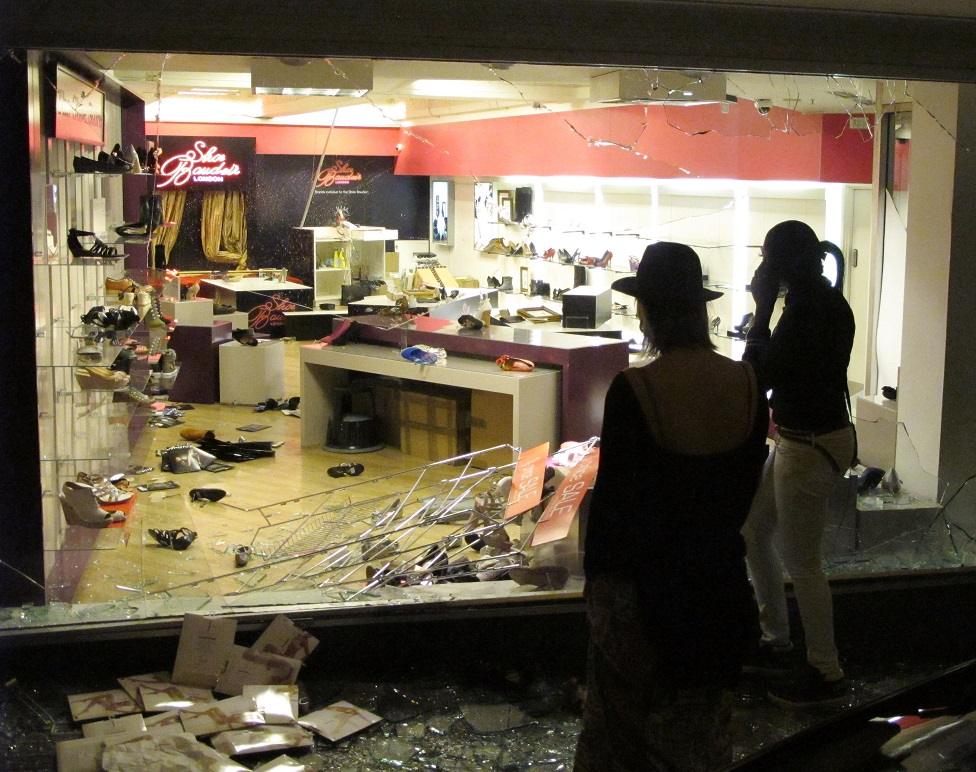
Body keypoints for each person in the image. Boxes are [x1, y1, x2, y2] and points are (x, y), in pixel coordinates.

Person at [575, 242, 769, 771]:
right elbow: (741, 496)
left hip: (644, 595)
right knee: (700, 740)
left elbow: (618, 510)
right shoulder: (748, 384)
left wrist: (598, 593)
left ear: (647, 308)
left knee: (621, 742)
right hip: (718, 587)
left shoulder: (636, 389)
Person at [740, 219, 856, 707]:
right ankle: (778, 640)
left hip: (808, 444)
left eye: (768, 258)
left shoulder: (807, 310)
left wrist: (762, 307)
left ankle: (824, 671)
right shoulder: (823, 302)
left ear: (781, 262)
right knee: (754, 530)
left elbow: (757, 375)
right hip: (808, 440)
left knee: (802, 561)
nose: (763, 268)